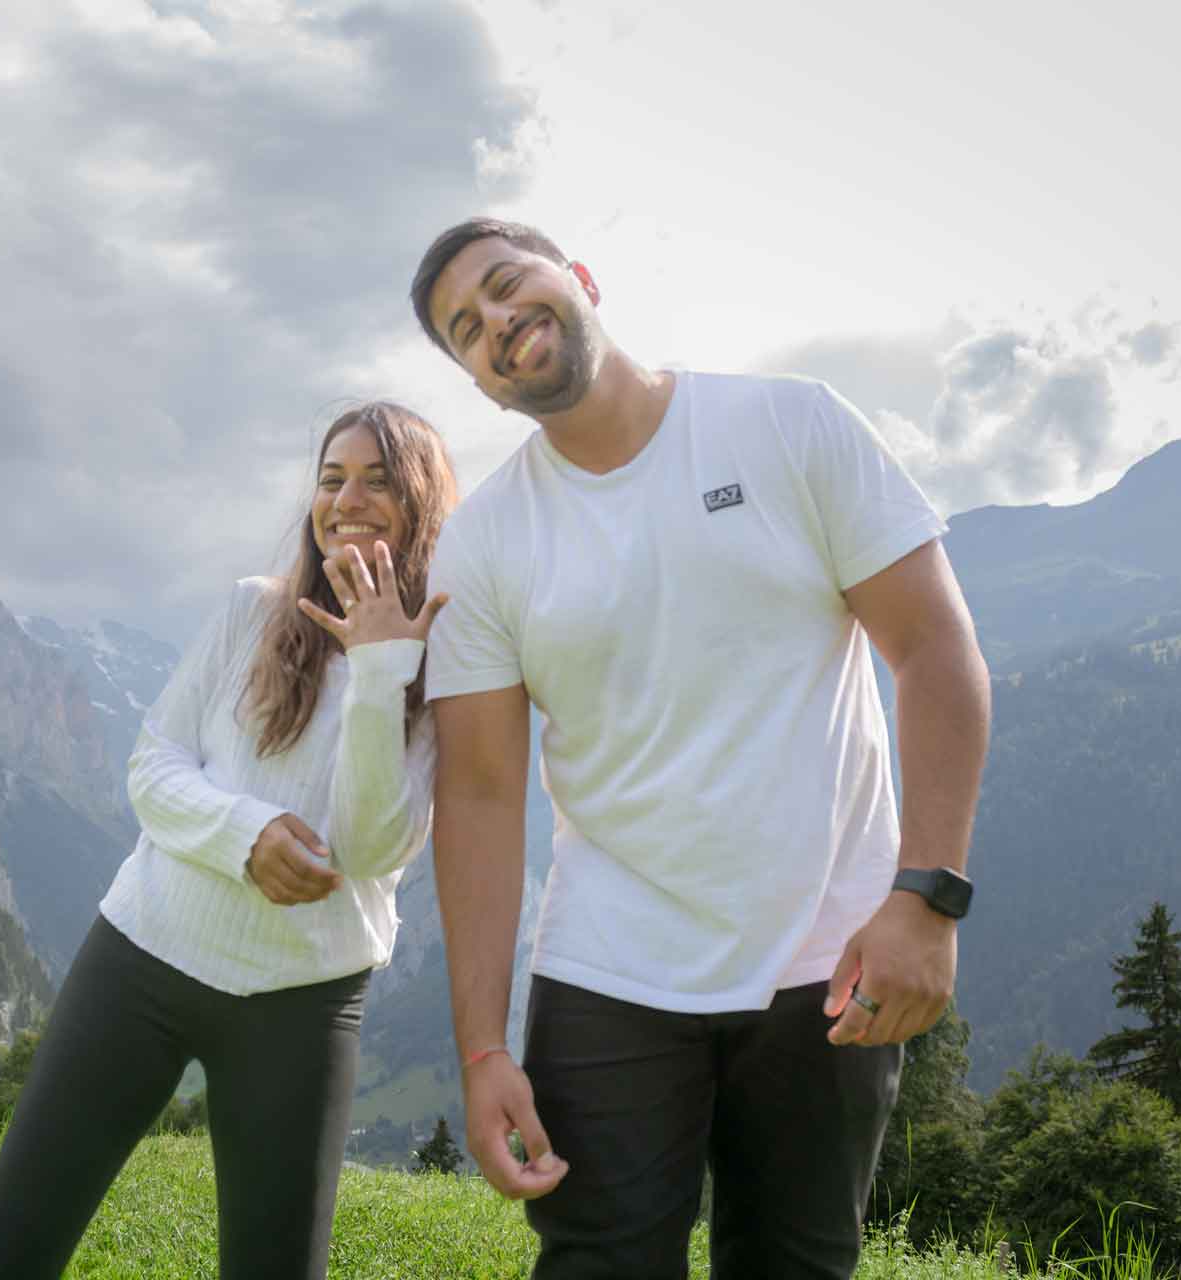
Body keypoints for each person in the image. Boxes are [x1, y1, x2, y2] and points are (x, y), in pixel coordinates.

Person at [409, 218, 992, 1280]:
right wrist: (482, 1047)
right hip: (609, 967)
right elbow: (484, 797)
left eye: (506, 286)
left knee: (795, 1265)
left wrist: (928, 894)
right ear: (481, 384)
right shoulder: (486, 540)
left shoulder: (786, 423)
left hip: (829, 961)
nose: (497, 323)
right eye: (466, 330)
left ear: (579, 275)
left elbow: (935, 647)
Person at [0, 401, 458, 1279]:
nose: (347, 498)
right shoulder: (252, 613)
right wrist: (246, 833)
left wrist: (381, 666)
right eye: (331, 479)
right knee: (6, 1251)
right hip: (139, 958)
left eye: (379, 480)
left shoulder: (439, 664)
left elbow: (376, 851)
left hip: (303, 1000)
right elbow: (152, 767)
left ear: (422, 506)